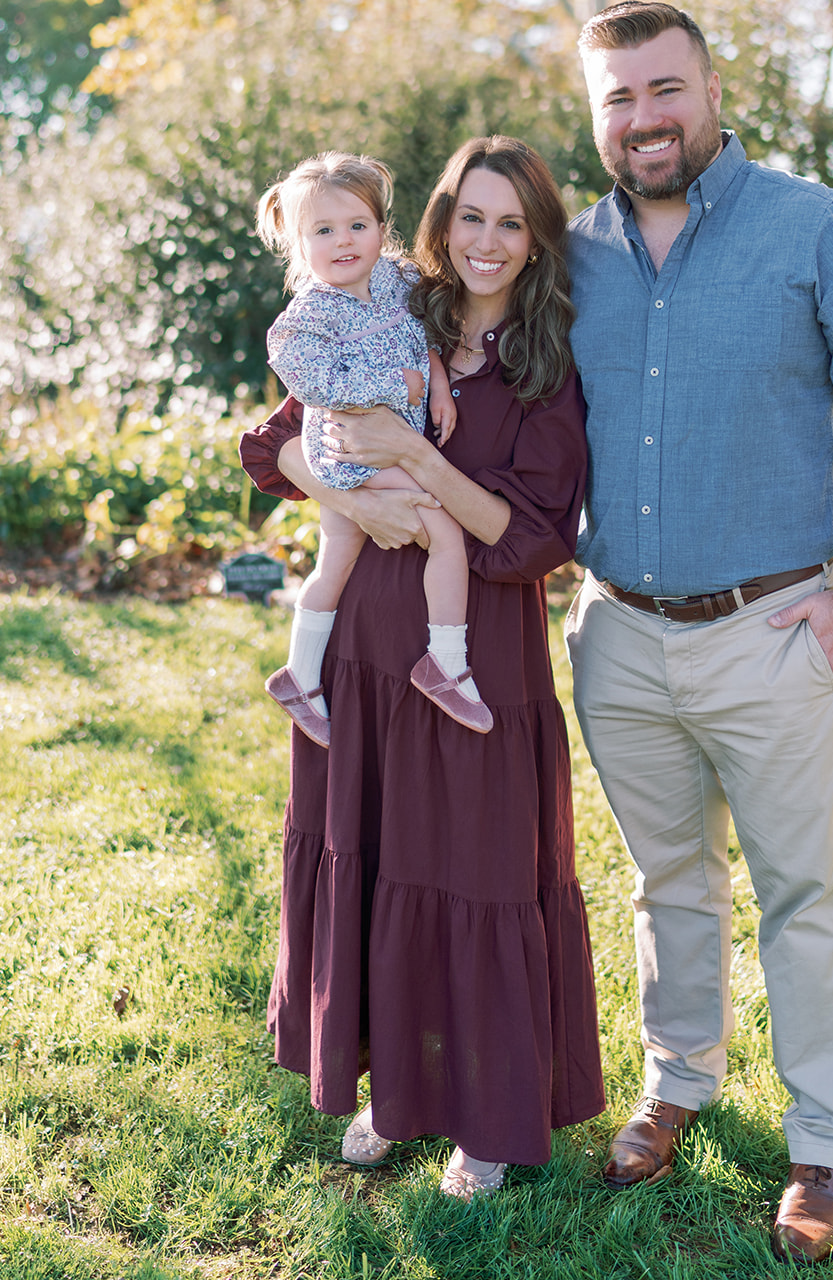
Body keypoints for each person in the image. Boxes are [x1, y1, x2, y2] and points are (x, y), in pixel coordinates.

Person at [563, 1, 833, 1261]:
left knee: (804, 895)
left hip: (771, 630)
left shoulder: (816, 232)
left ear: (712, 87)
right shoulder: (563, 255)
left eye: (663, 88)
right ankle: (677, 1082)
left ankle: (822, 1145)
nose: (644, 118)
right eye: (617, 98)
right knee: (664, 880)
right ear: (596, 114)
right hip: (616, 634)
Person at [240, 135, 605, 1200]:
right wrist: (351, 498)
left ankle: (485, 1118)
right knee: (382, 860)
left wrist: (415, 459)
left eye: (510, 223)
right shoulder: (387, 312)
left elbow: (533, 537)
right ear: (439, 225)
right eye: (469, 218)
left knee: (471, 869)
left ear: (535, 239)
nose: (486, 243)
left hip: (474, 654)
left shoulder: (545, 366)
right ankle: (390, 1090)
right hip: (361, 643)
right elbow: (276, 446)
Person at [255, 150, 492, 747]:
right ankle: (447, 659)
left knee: (333, 563)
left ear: (382, 229)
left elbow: (424, 339)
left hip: (390, 445)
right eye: (323, 231)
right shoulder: (304, 319)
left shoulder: (397, 279)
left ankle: (300, 675)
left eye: (358, 226)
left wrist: (436, 384)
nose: (344, 242)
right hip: (350, 454)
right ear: (296, 242)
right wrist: (399, 387)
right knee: (443, 525)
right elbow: (315, 386)